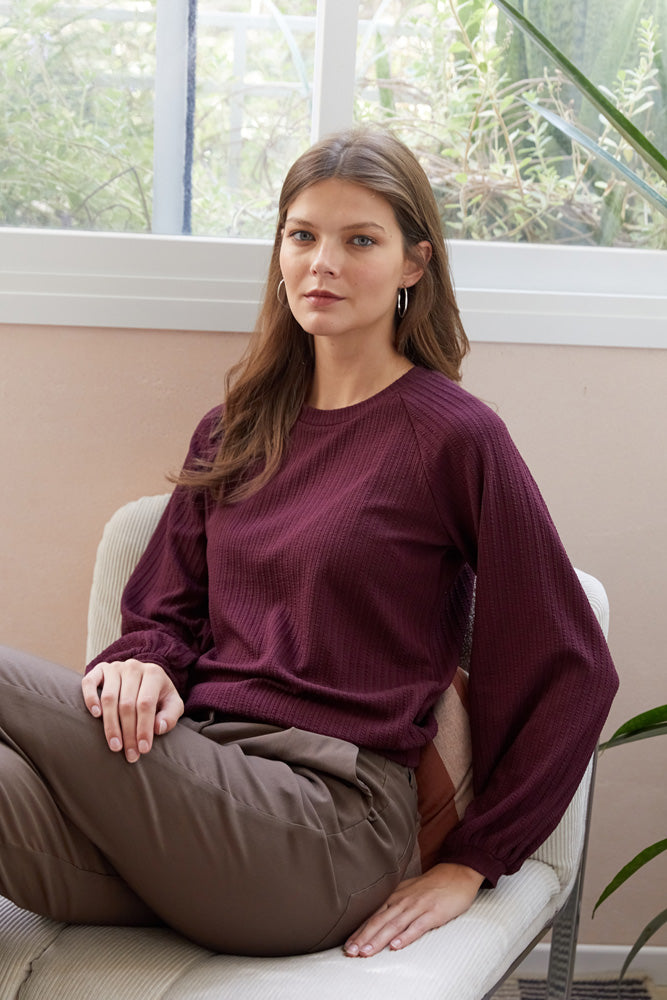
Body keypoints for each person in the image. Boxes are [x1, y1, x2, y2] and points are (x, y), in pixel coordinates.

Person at [0, 126, 618, 960]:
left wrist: (475, 859)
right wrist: (142, 661)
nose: (321, 263)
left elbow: (570, 663)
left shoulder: (453, 437)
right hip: (187, 799)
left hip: (324, 824)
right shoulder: (234, 429)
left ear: (413, 263)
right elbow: (161, 612)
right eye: (301, 236)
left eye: (358, 240)